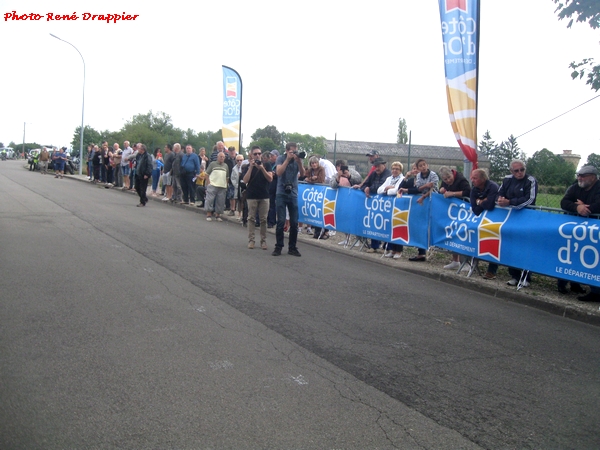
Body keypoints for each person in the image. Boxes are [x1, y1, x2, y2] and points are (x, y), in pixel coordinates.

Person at [559, 165, 600, 301]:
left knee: (592, 257)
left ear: (593, 177)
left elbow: (597, 205)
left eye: (583, 176)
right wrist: (578, 207)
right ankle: (569, 283)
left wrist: (586, 206)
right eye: (578, 175)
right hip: (574, 229)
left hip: (594, 230)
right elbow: (564, 202)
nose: (579, 178)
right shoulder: (575, 186)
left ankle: (596, 291)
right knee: (571, 253)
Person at [497, 159, 538, 287]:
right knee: (511, 245)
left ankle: (526, 276)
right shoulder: (507, 179)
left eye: (522, 170)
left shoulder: (531, 180)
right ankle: (514, 275)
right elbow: (500, 193)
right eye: (516, 171)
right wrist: (501, 200)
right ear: (511, 171)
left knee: (525, 247)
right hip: (510, 217)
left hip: (526, 218)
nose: (520, 173)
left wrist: (510, 202)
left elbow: (530, 200)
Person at [273, 142, 305, 257]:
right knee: (281, 221)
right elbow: (278, 172)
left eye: (295, 151)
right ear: (286, 151)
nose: (294, 154)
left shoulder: (297, 160)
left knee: (294, 222)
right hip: (281, 192)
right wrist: (288, 159)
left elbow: (302, 174)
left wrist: (299, 162)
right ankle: (278, 246)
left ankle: (292, 247)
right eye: (292, 152)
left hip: (293, 193)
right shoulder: (281, 158)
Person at [353, 157, 391, 253]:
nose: (377, 168)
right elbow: (365, 184)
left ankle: (387, 247)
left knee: (386, 224)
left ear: (384, 165)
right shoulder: (373, 174)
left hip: (386, 204)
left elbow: (380, 187)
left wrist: (369, 188)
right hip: (374, 204)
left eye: (378, 166)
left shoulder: (388, 174)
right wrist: (366, 188)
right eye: (375, 166)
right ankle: (375, 246)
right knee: (375, 223)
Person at [438, 166, 471, 270]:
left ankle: (466, 262)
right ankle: (455, 260)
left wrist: (452, 193)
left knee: (462, 235)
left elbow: (468, 192)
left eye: (449, 177)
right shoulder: (445, 182)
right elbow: (442, 190)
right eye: (445, 179)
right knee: (452, 234)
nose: (448, 180)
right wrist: (441, 190)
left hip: (463, 211)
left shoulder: (461, 179)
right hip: (452, 212)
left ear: (452, 173)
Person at [470, 169, 500, 279]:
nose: (472, 180)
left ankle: (492, 271)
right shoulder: (474, 189)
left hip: (495, 220)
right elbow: (475, 210)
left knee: (494, 241)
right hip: (481, 220)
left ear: (483, 179)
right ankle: (473, 265)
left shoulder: (492, 186)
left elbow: (491, 204)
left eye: (475, 178)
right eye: (472, 178)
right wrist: (482, 202)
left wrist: (480, 201)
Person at [242, 145, 273, 250]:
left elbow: (270, 178)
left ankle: (263, 241)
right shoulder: (247, 166)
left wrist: (262, 168)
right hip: (251, 196)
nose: (258, 156)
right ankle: (251, 240)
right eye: (255, 154)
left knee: (264, 219)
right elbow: (245, 181)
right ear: (251, 155)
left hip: (264, 196)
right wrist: (251, 167)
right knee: (251, 218)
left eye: (259, 153)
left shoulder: (267, 165)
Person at [378, 161, 405, 258]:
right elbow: (379, 190)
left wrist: (387, 190)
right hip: (388, 206)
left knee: (398, 226)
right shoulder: (389, 178)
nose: (395, 171)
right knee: (390, 227)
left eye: (397, 169)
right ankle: (393, 250)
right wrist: (387, 188)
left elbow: (397, 190)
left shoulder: (402, 179)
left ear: (400, 170)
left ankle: (399, 251)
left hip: (398, 205)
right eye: (393, 169)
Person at [305, 156, 326, 239]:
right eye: (312, 163)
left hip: (320, 192)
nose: (314, 165)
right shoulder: (310, 170)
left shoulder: (321, 169)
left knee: (320, 211)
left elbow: (321, 180)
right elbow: (305, 178)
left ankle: (321, 232)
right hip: (312, 193)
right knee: (313, 211)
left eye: (315, 163)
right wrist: (311, 178)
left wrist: (311, 180)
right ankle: (315, 231)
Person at [205, 151, 229, 221]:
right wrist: (208, 183)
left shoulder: (226, 166)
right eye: (220, 157)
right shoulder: (212, 164)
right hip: (213, 184)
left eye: (223, 157)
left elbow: (227, 177)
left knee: (220, 201)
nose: (222, 158)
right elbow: (207, 174)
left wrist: (226, 185)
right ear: (217, 157)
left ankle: (218, 215)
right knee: (209, 200)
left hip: (222, 186)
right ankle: (209, 214)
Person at [230, 154, 244, 218]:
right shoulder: (234, 168)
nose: (239, 162)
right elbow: (232, 178)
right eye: (238, 160)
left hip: (244, 186)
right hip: (237, 186)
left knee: (244, 200)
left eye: (241, 160)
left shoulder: (246, 167)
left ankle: (244, 214)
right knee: (238, 200)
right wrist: (236, 185)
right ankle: (239, 214)